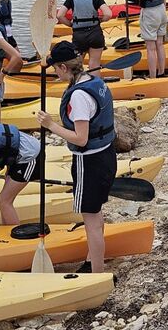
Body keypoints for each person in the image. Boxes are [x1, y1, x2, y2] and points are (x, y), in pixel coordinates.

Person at [37, 41, 117, 273]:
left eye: (55, 68)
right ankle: (93, 261)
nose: (54, 72)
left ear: (64, 67)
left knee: (91, 222)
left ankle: (97, 275)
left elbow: (81, 138)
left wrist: (50, 125)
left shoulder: (79, 96)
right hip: (106, 155)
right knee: (96, 215)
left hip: (89, 162)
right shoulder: (93, 80)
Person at [123, 0, 168, 78]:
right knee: (160, 44)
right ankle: (162, 72)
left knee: (151, 48)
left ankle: (153, 77)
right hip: (161, 10)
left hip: (150, 13)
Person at [57, 0, 112, 75]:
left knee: (77, 65)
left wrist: (70, 24)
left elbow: (59, 15)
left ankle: (78, 82)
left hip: (79, 36)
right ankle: (95, 83)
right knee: (94, 65)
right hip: (95, 34)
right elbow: (108, 14)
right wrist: (100, 20)